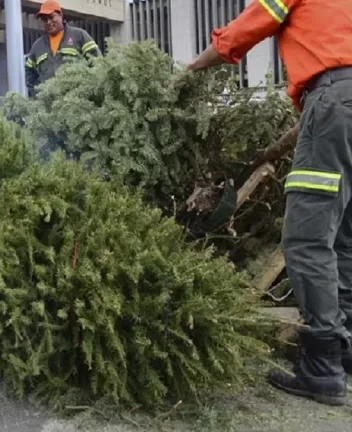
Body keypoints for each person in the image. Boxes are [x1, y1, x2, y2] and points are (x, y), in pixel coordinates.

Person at [187, 0, 352, 406]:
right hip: (339, 102)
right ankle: (345, 349)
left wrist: (190, 70)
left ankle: (322, 366)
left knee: (307, 240)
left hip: (333, 101)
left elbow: (247, 28)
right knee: (345, 235)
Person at [24, 0, 101, 98]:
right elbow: (29, 73)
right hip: (49, 105)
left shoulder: (79, 36)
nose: (48, 22)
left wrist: (90, 91)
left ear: (61, 15)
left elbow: (97, 63)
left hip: (78, 102)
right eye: (44, 19)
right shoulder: (37, 46)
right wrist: (38, 96)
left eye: (51, 17)